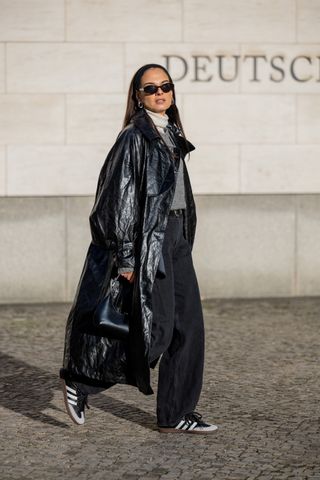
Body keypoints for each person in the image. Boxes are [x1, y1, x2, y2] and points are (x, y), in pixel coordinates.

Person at [60, 63, 217, 434]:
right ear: (137, 96)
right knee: (156, 331)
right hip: (151, 241)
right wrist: (127, 256)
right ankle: (82, 382)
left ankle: (175, 413)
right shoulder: (134, 137)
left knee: (189, 327)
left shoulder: (172, 132)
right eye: (151, 88)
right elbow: (115, 199)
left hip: (176, 238)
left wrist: (183, 239)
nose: (160, 92)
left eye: (166, 86)